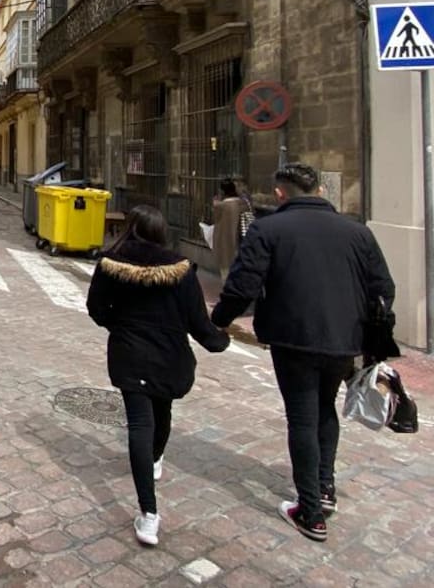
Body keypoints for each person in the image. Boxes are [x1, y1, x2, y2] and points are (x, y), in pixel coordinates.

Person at [212, 162, 396, 542]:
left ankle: (310, 510)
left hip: (292, 338)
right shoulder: (357, 232)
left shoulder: (269, 228)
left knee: (302, 416)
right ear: (320, 191)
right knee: (325, 408)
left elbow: (242, 284)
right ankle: (325, 487)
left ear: (280, 193)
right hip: (344, 339)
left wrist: (219, 321)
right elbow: (384, 288)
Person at [87, 205, 229, 547]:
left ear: (131, 229)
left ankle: (149, 516)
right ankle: (153, 465)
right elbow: (198, 322)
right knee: (160, 413)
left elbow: (96, 309)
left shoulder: (111, 264)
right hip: (170, 357)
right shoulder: (180, 271)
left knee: (140, 425)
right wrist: (219, 340)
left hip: (129, 354)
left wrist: (120, 327)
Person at [212, 177, 253, 279]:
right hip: (245, 248)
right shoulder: (245, 204)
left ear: (222, 191)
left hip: (227, 250)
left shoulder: (220, 207)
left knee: (227, 278)